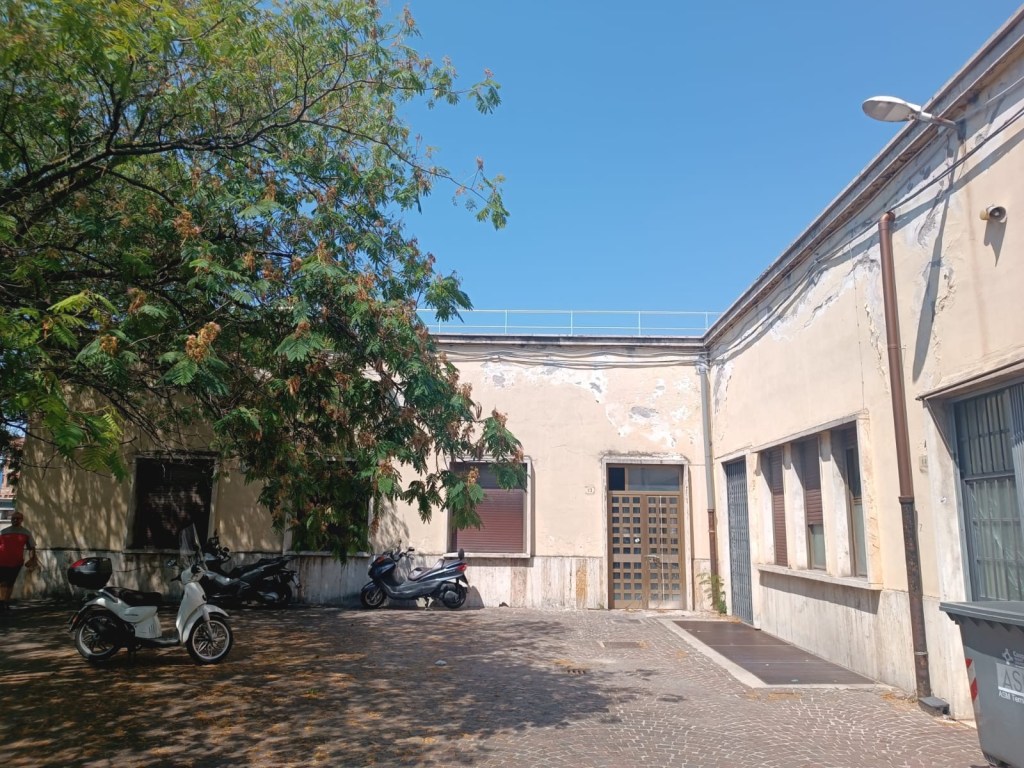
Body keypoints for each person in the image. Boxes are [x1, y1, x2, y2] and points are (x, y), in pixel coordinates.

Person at [0, 512, 36, 612]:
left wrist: (33, 559)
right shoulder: (3, 532)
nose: (15, 520)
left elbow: (31, 547)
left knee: (10, 583)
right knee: (3, 583)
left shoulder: (26, 533)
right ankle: (2, 602)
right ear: (11, 519)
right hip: (1, 561)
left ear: (22, 520)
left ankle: (6, 602)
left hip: (16, 562)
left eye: (18, 518)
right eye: (14, 518)